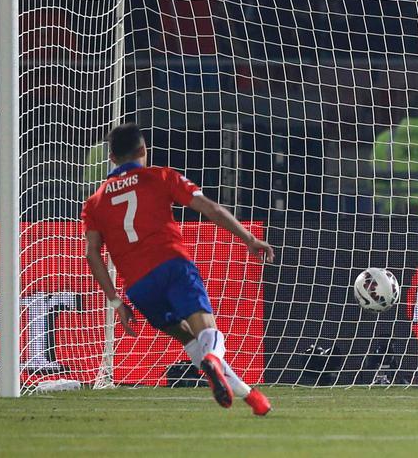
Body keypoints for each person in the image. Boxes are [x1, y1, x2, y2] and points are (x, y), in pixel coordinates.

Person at [81, 123, 274, 415]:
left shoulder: (94, 202)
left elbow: (92, 254)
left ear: (112, 158)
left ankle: (251, 397)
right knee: (208, 333)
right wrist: (249, 238)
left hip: (139, 286)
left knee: (188, 338)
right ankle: (214, 361)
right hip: (172, 265)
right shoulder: (160, 176)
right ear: (143, 150)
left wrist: (116, 302)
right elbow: (211, 209)